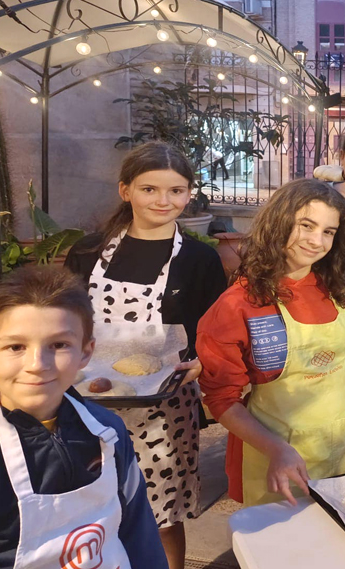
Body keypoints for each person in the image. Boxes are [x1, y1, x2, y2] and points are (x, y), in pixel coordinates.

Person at [65, 142, 226, 569]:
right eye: (149, 189)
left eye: (176, 191)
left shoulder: (198, 259)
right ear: (126, 191)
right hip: (87, 406)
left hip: (164, 408)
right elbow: (63, 320)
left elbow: (216, 333)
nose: (163, 201)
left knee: (161, 513)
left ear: (189, 193)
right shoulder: (87, 252)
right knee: (90, 508)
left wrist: (200, 366)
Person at [198, 179, 345, 506]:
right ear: (280, 222)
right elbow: (221, 398)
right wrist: (278, 449)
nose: (317, 241)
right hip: (273, 460)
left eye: (329, 232)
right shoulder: (239, 305)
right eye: (306, 225)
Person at [0, 267, 167, 569]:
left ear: (86, 353)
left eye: (59, 345)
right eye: (16, 347)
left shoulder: (106, 432)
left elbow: (138, 530)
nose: (38, 364)